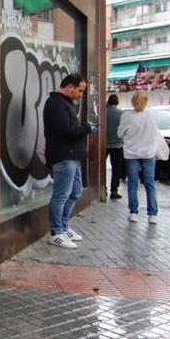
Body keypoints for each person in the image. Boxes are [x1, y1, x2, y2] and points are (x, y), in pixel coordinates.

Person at [42, 73, 98, 249]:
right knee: (61, 195)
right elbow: (65, 130)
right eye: (80, 91)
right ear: (70, 87)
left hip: (72, 156)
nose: (81, 95)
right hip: (63, 155)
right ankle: (56, 231)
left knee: (75, 192)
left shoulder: (64, 103)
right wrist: (86, 128)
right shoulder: (56, 104)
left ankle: (64, 227)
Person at [118, 91, 160, 224]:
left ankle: (133, 212)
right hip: (148, 152)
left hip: (131, 153)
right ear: (146, 101)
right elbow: (155, 132)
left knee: (132, 182)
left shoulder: (127, 116)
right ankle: (152, 214)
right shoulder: (152, 114)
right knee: (149, 183)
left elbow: (120, 133)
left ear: (132, 102)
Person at [106, 94, 125, 199]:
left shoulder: (103, 113)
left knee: (101, 168)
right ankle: (114, 190)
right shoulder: (121, 114)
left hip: (103, 145)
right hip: (117, 145)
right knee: (116, 168)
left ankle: (101, 188)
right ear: (117, 102)